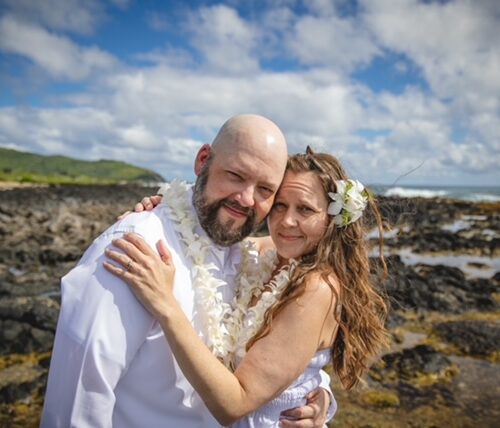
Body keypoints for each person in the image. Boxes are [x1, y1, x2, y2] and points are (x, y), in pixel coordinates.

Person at [40, 115, 335, 428]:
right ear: (203, 160)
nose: (246, 199)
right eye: (235, 175)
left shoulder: (250, 255)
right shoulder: (135, 250)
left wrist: (320, 395)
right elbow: (75, 406)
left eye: (265, 189)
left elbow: (286, 350)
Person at [104, 148, 389, 427]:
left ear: (331, 219)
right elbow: (204, 242)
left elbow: (235, 404)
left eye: (305, 209)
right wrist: (157, 218)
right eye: (279, 205)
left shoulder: (316, 288)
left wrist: (166, 306)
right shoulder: (271, 251)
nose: (287, 221)